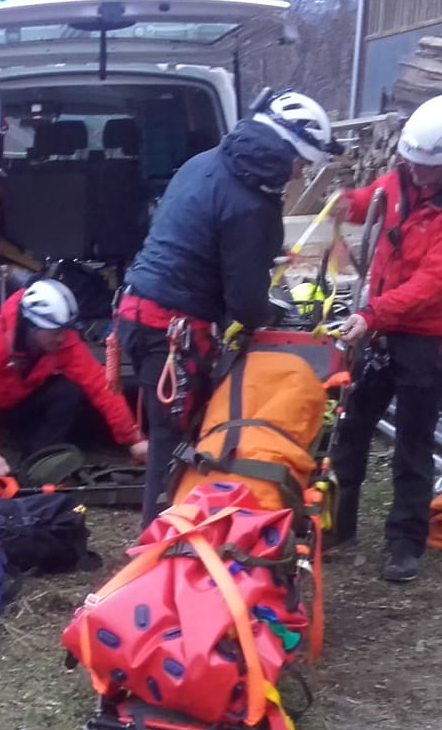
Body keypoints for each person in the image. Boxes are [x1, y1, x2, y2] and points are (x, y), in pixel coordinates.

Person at [115, 90, 342, 524]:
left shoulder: (205, 162)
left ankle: (181, 527)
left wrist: (256, 258)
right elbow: (245, 304)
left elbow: (202, 239)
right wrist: (270, 313)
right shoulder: (251, 202)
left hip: (139, 310)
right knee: (174, 441)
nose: (300, 172)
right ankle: (161, 539)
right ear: (286, 151)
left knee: (173, 434)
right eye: (301, 163)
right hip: (173, 329)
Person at [329, 93, 442, 582]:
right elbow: (370, 203)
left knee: (412, 443)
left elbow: (434, 282)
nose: (416, 172)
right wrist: (341, 202)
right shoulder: (403, 178)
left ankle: (404, 545)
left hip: (430, 338)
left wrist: (372, 313)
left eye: (428, 166)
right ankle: (336, 526)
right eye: (412, 162)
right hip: (382, 327)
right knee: (350, 428)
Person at [0, 279, 148, 480]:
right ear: (33, 326)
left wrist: (133, 438)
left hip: (20, 401)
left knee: (68, 391)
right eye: (56, 331)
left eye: (64, 330)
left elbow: (100, 385)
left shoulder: (64, 341)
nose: (62, 338)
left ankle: (38, 458)